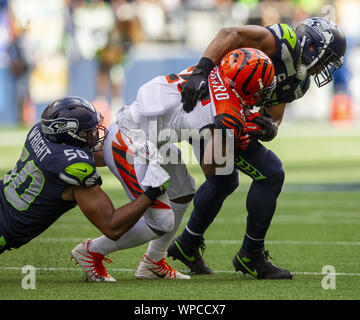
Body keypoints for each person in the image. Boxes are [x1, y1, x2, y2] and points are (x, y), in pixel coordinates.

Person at [71, 47, 277, 280]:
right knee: (161, 221)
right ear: (244, 85)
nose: (264, 93)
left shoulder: (214, 69)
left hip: (148, 134)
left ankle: (153, 262)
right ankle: (91, 251)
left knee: (183, 189)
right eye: (261, 87)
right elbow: (212, 167)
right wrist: (235, 134)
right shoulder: (226, 112)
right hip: (131, 140)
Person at [167, 17, 347, 278]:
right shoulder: (281, 41)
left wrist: (270, 127)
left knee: (223, 181)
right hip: (208, 102)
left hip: (227, 115)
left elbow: (273, 116)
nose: (325, 67)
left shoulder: (299, 82)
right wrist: (201, 72)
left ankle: (187, 244)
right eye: (327, 58)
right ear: (311, 47)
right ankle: (250, 255)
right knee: (270, 173)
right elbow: (230, 32)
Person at [0, 96, 170, 282]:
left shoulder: (41, 131)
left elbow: (92, 154)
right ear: (71, 134)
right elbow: (112, 227)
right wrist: (152, 192)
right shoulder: (74, 169)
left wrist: (133, 150)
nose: (96, 134)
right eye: (89, 131)